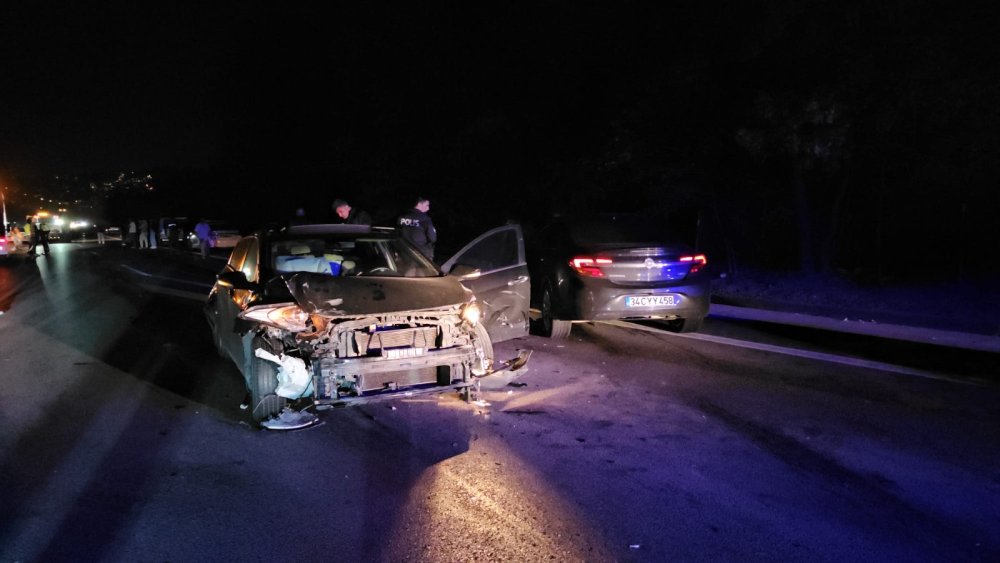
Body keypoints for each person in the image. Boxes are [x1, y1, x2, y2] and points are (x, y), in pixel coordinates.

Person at [397, 196, 436, 260]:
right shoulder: (425, 219)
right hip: (421, 255)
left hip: (404, 252)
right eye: (427, 205)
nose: (428, 208)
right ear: (419, 204)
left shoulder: (401, 217)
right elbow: (433, 238)